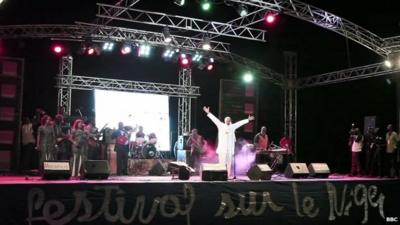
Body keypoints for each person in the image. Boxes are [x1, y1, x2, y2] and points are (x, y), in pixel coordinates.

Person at [203, 106, 254, 177]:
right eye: (227, 120)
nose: (228, 121)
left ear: (230, 121)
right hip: (222, 149)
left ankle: (227, 175)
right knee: (221, 163)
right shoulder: (220, 125)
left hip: (229, 149)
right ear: (224, 120)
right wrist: (208, 113)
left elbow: (240, 123)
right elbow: (214, 119)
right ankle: (220, 175)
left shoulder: (232, 126)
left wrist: (247, 120)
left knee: (229, 163)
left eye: (229, 120)